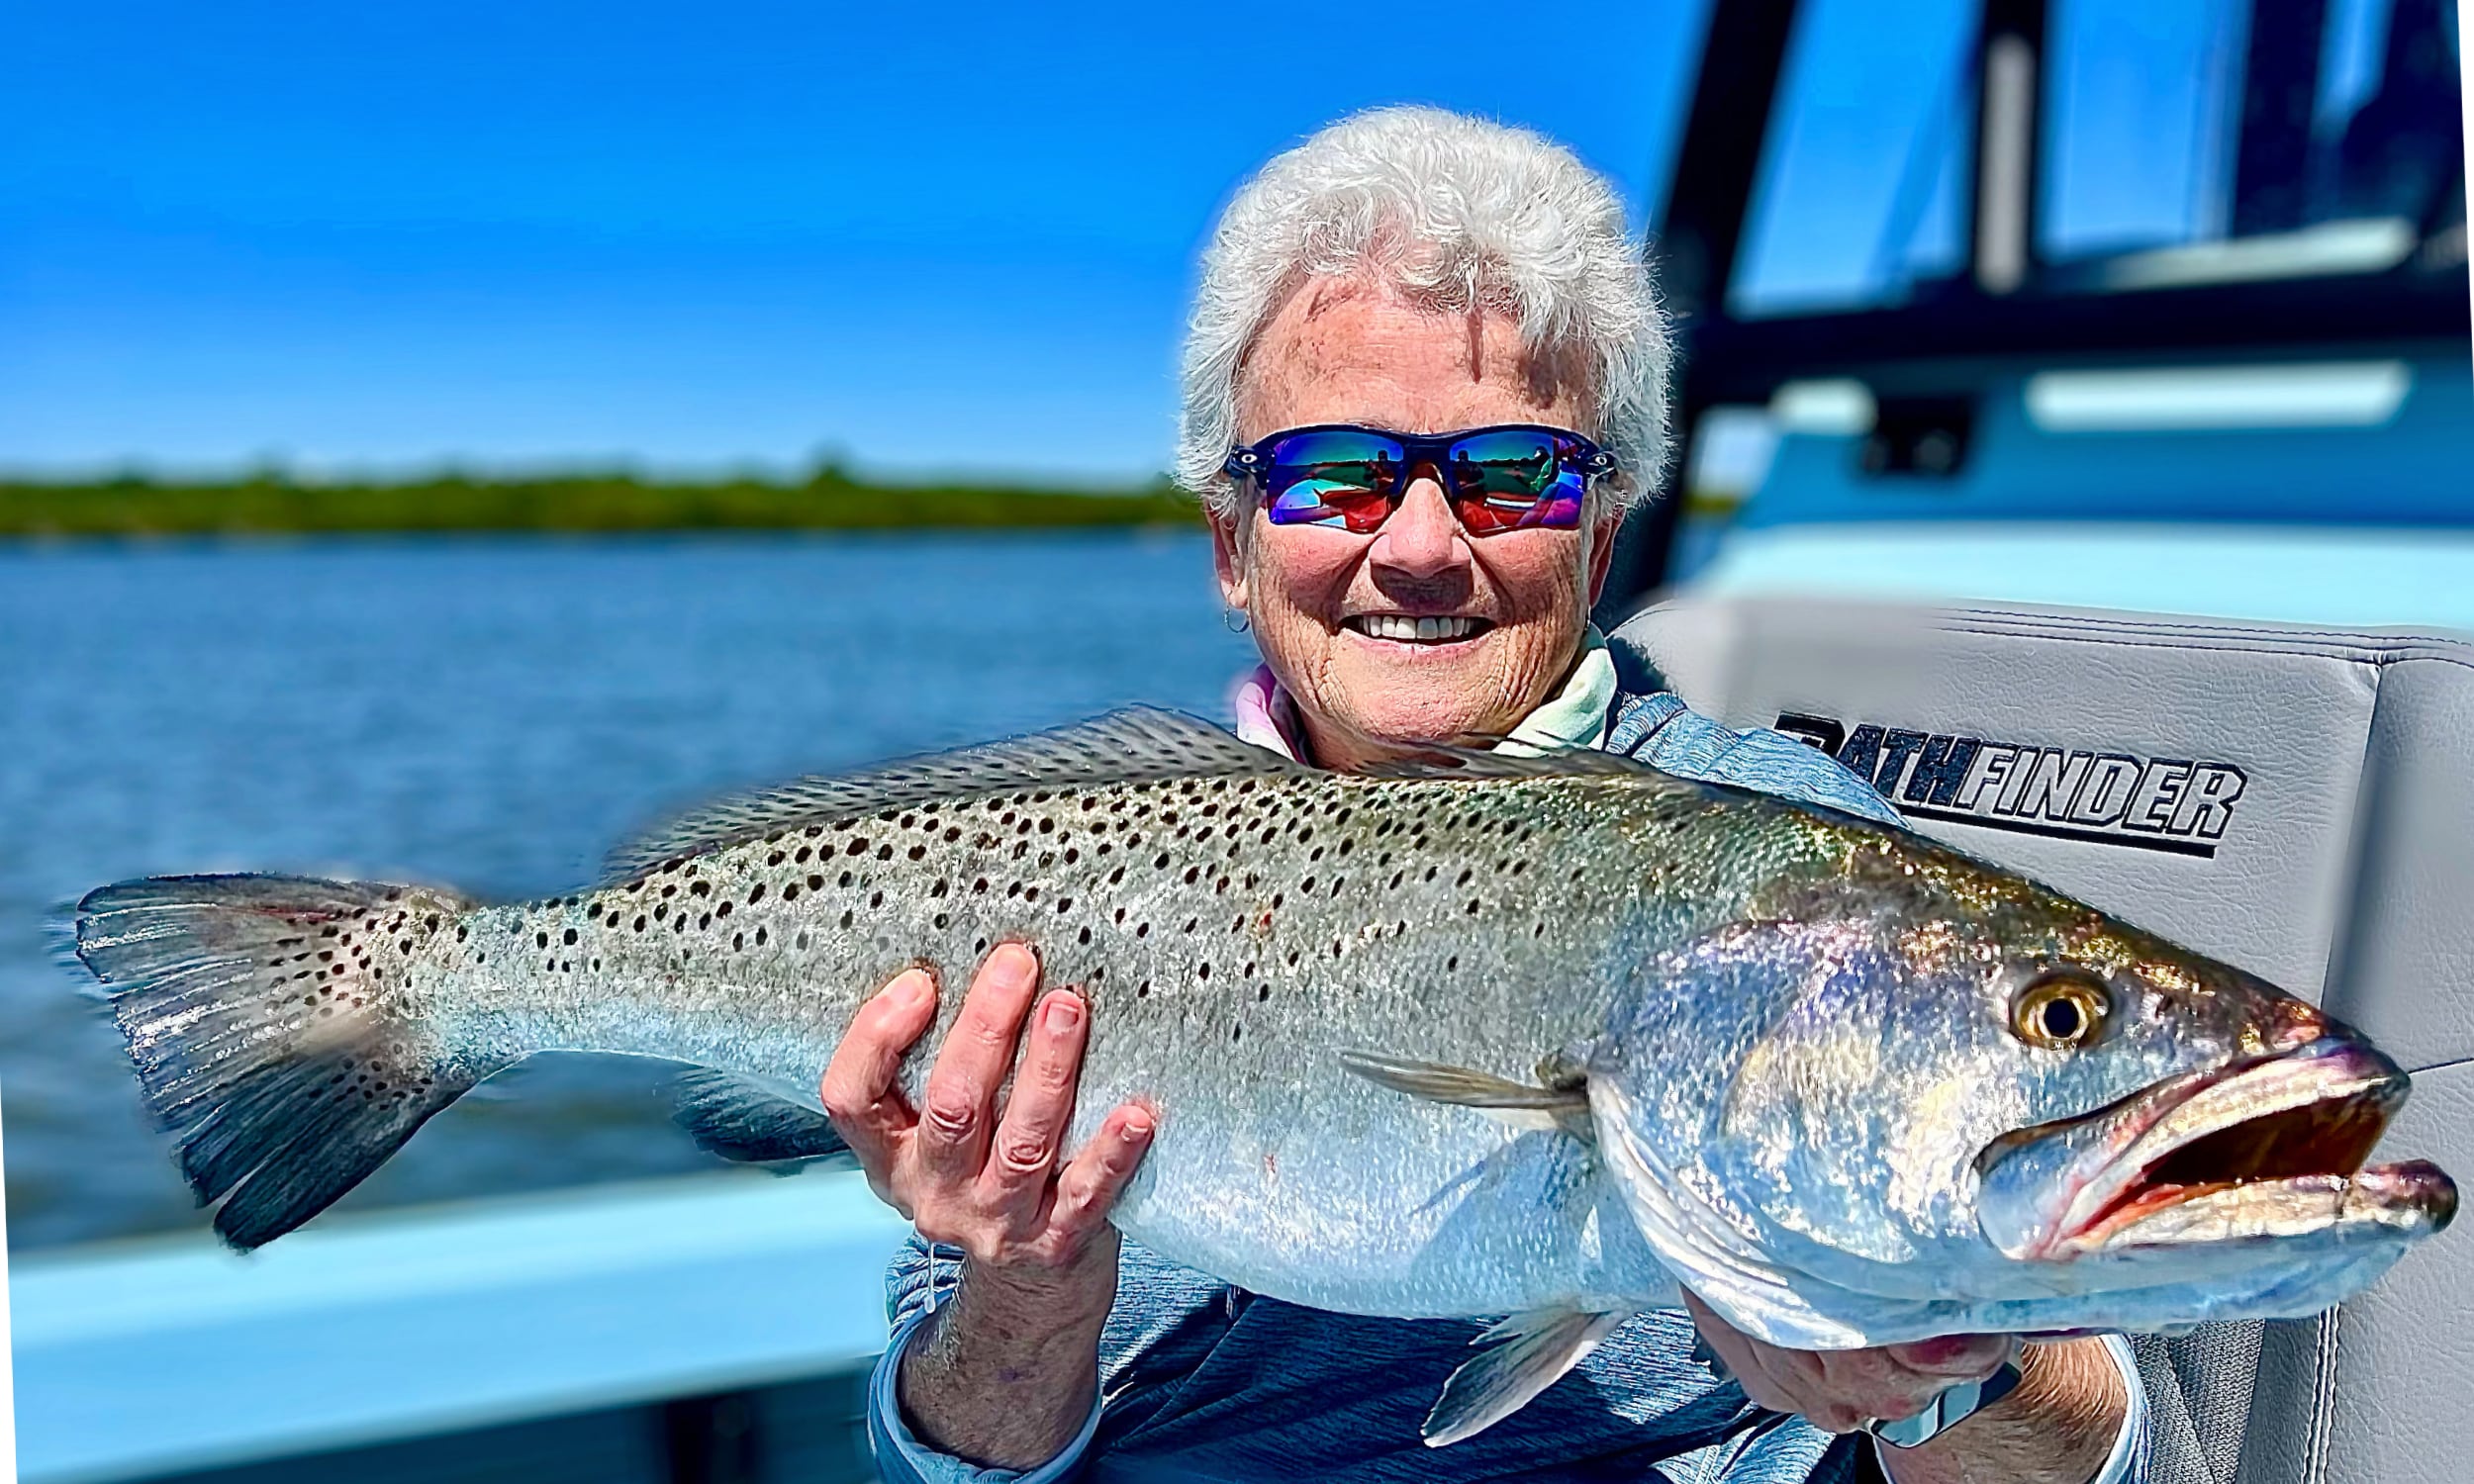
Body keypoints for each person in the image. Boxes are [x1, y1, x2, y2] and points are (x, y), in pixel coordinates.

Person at [824, 108, 2149, 1484]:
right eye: (1332, 475)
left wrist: (1930, 1368)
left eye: (1511, 477)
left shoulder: (1795, 877)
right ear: (1232, 547)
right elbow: (952, 1456)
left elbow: (2093, 1444)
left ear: (1604, 531)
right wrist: (1025, 1301)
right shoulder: (1064, 877)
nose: (1415, 549)